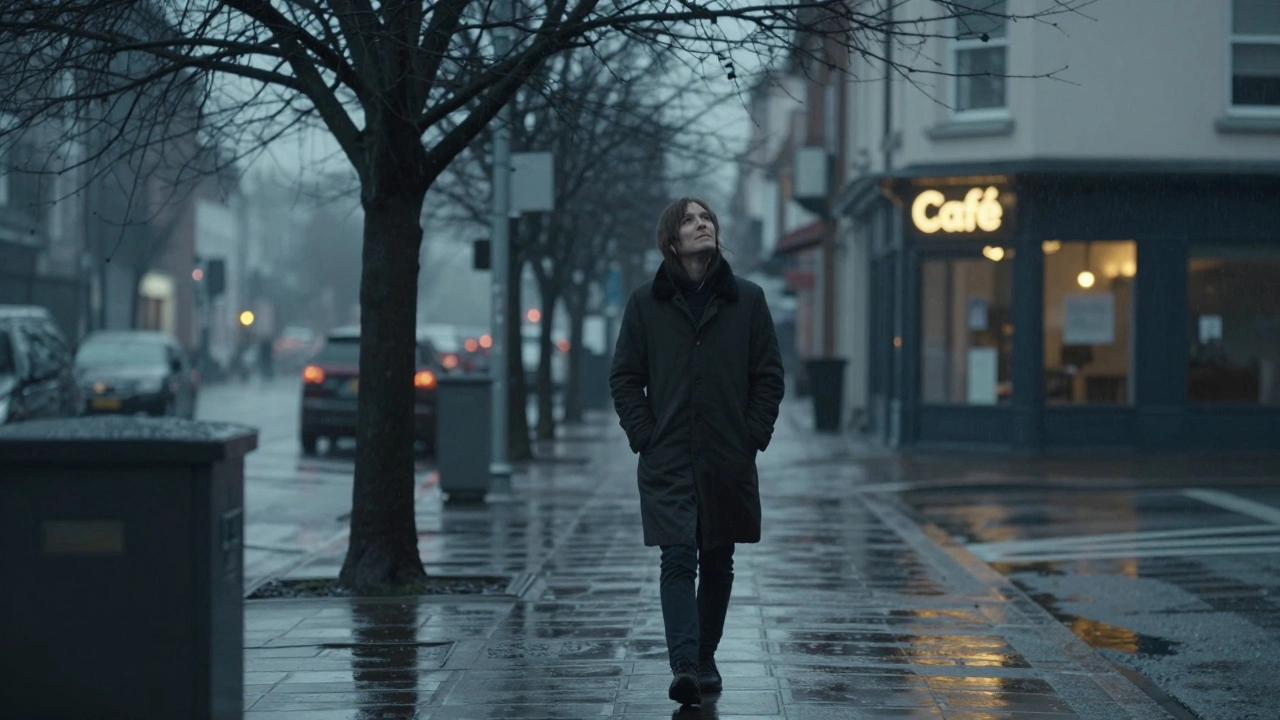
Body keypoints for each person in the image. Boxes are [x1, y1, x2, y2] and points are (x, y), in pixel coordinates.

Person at [609, 197, 785, 706]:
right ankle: (685, 663)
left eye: (706, 217)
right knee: (678, 555)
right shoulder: (646, 303)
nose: (701, 224)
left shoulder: (746, 300)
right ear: (671, 239)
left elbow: (768, 375)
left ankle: (705, 656)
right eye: (688, 219)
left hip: (727, 456)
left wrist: (752, 434)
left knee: (718, 556)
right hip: (668, 455)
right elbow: (625, 377)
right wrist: (645, 433)